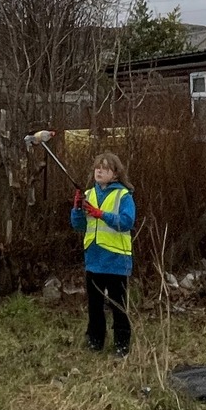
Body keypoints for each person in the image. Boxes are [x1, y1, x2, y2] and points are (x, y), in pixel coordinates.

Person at [71, 148, 135, 356]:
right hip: (94, 258)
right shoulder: (89, 194)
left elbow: (127, 222)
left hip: (116, 259)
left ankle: (122, 344)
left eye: (105, 169)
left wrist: (101, 214)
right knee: (94, 304)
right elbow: (79, 225)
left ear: (115, 174)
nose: (99, 171)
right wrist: (77, 209)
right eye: (97, 168)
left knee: (118, 304)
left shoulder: (123, 195)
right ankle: (95, 340)